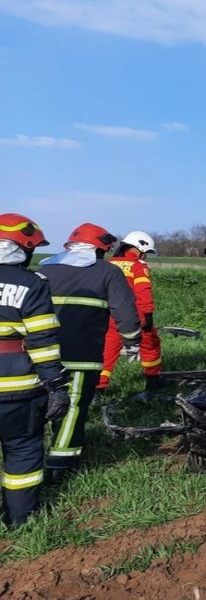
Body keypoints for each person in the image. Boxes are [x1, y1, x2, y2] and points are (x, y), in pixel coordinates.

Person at [39, 224, 141, 479]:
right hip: (82, 355)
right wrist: (132, 341)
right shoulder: (108, 272)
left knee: (38, 402)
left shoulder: (44, 269)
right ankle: (61, 464)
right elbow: (125, 312)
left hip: (40, 353)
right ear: (99, 249)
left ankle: (28, 456)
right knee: (72, 405)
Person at [0, 214, 69, 525]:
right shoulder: (31, 284)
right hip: (18, 389)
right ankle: (19, 520)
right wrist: (56, 385)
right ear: (22, 248)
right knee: (23, 451)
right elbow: (42, 339)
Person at [100, 231, 162, 395]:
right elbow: (143, 293)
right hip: (135, 316)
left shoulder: (109, 264)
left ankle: (98, 389)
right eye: (146, 253)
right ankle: (153, 381)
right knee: (150, 345)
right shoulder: (138, 267)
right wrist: (147, 316)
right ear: (139, 248)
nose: (146, 257)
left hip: (110, 316)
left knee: (107, 351)